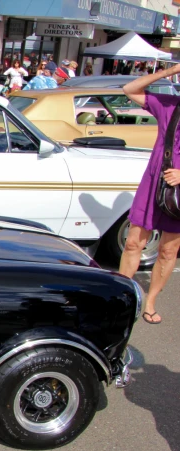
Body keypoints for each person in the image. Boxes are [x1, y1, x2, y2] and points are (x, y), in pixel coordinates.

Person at [118, 64, 180, 324]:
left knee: (168, 250)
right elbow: (129, 89)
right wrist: (168, 72)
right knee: (133, 242)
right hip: (154, 181)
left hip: (178, 189)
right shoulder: (169, 104)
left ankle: (150, 302)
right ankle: (121, 297)